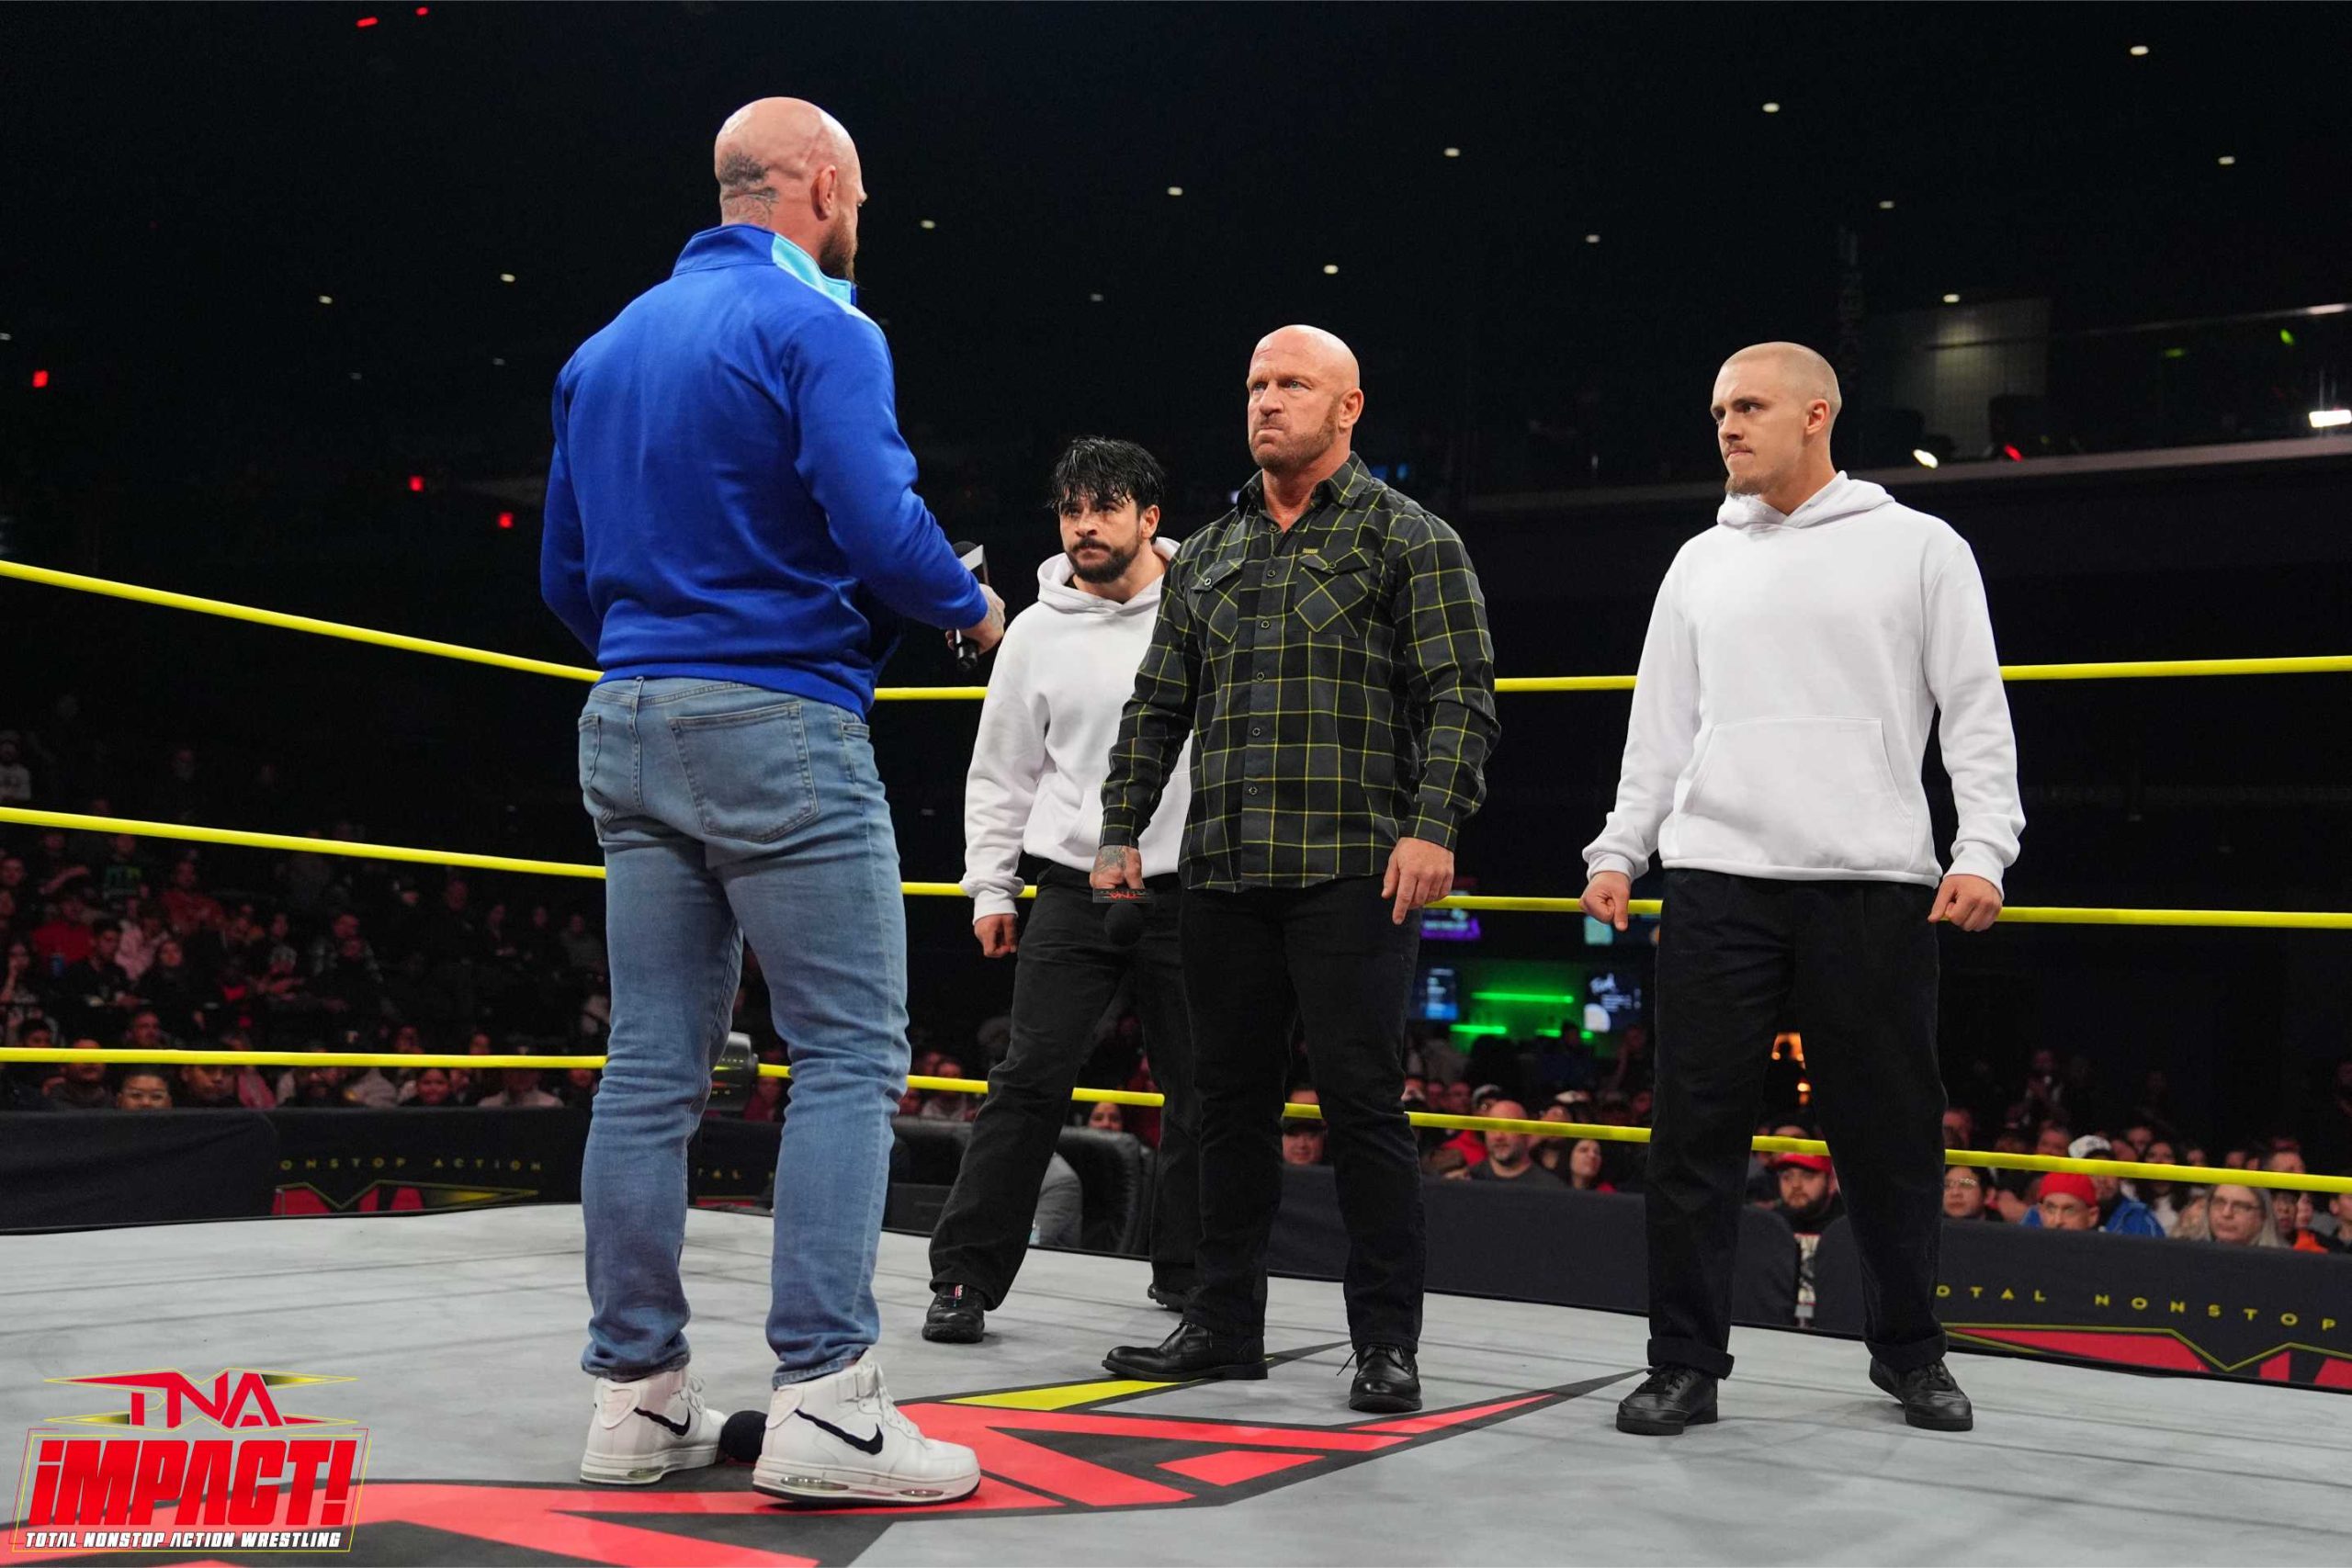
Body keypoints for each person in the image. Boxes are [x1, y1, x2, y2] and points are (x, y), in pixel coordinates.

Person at [541, 96, 1001, 1504]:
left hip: (626, 714)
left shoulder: (603, 348)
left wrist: (668, 646)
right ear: (824, 184)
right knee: (850, 1049)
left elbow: (564, 575)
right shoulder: (823, 327)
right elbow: (881, 529)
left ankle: (636, 1397)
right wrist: (971, 606)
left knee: (651, 1064)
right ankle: (828, 1399)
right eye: (859, 194)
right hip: (778, 716)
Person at [1582, 343, 2022, 1438]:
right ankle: (1683, 1363)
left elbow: (1974, 708)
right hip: (1717, 876)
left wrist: (1982, 850)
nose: (1726, 427)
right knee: (1692, 1136)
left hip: (1868, 879)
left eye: (1749, 407)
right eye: (1718, 410)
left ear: (1815, 414)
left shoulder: (1920, 547)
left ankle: (1911, 1351)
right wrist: (1618, 847)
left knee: (1891, 1134)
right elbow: (1659, 723)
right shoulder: (1699, 561)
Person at [1097, 324, 1499, 1416]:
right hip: (1224, 868)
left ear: (1347, 406)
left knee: (1363, 1105)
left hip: (1353, 867)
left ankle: (1385, 1344)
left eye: (1291, 384)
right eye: (1255, 385)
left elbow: (1460, 697)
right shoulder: (1210, 549)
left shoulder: (1409, 536)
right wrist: (1121, 826)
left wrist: (1433, 826)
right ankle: (1222, 1323)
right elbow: (1156, 704)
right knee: (1222, 1105)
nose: (1267, 402)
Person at [925, 438, 1200, 1347]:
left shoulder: (1206, 607)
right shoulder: (1036, 633)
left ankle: (1194, 1276)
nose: (1084, 526)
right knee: (1027, 1078)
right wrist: (990, 889)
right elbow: (1001, 769)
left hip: (1191, 883)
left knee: (1204, 1086)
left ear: (1149, 519)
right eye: (1072, 510)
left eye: (1105, 507)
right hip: (1074, 885)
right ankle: (964, 1277)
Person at [1464, 1100, 1563, 1185]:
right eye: (1492, 1127)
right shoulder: (1467, 1180)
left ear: (1526, 1131)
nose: (1498, 1136)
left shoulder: (1550, 1188)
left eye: (1508, 1127)